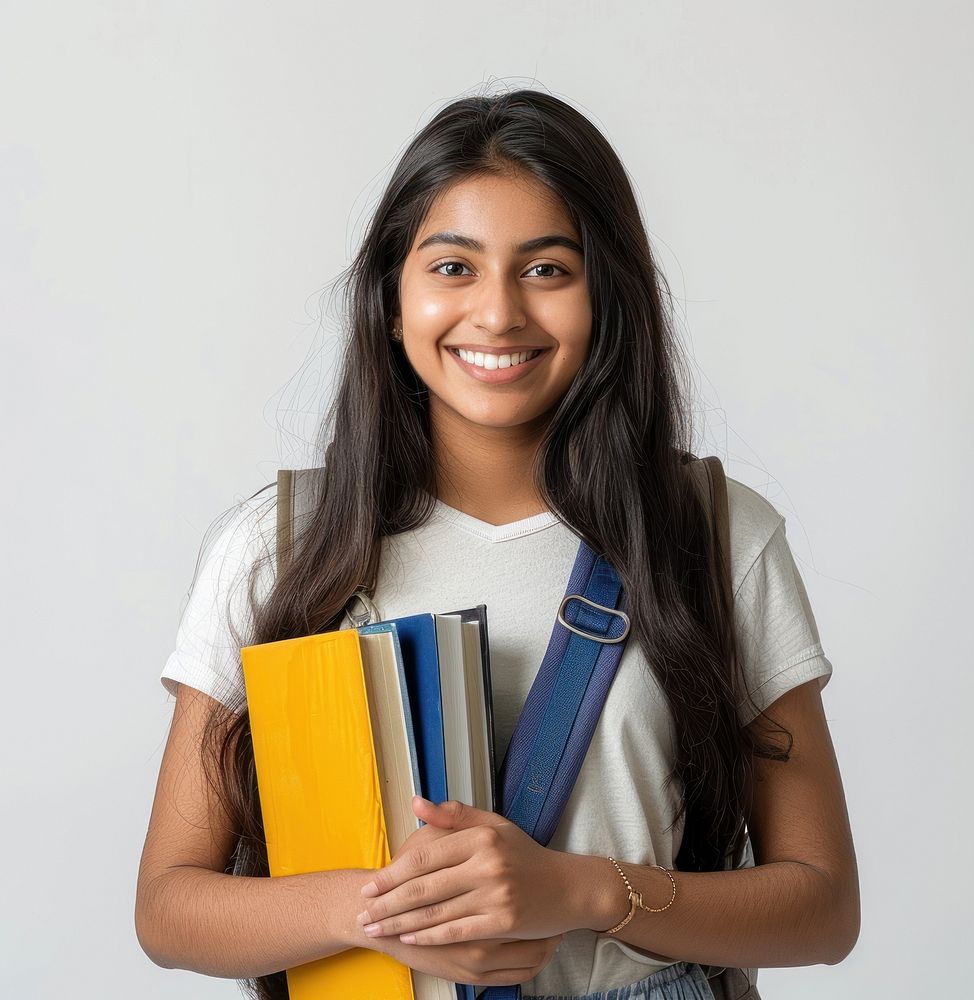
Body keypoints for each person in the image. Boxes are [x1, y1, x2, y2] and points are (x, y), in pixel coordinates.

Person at [135, 88, 860, 1000]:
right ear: (392, 304)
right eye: (452, 267)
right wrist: (389, 912)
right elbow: (168, 908)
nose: (498, 313)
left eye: (547, 270)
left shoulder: (714, 534)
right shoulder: (282, 548)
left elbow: (824, 908)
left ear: (608, 298)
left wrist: (586, 891)